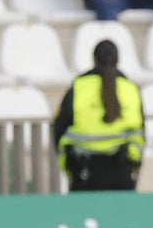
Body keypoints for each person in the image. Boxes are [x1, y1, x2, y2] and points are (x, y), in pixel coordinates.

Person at [52, 39, 145, 191]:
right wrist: (133, 165)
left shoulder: (78, 87)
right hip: (123, 173)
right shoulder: (131, 88)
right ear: (118, 60)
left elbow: (59, 129)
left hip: (84, 173)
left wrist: (69, 169)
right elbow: (141, 133)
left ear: (94, 60)